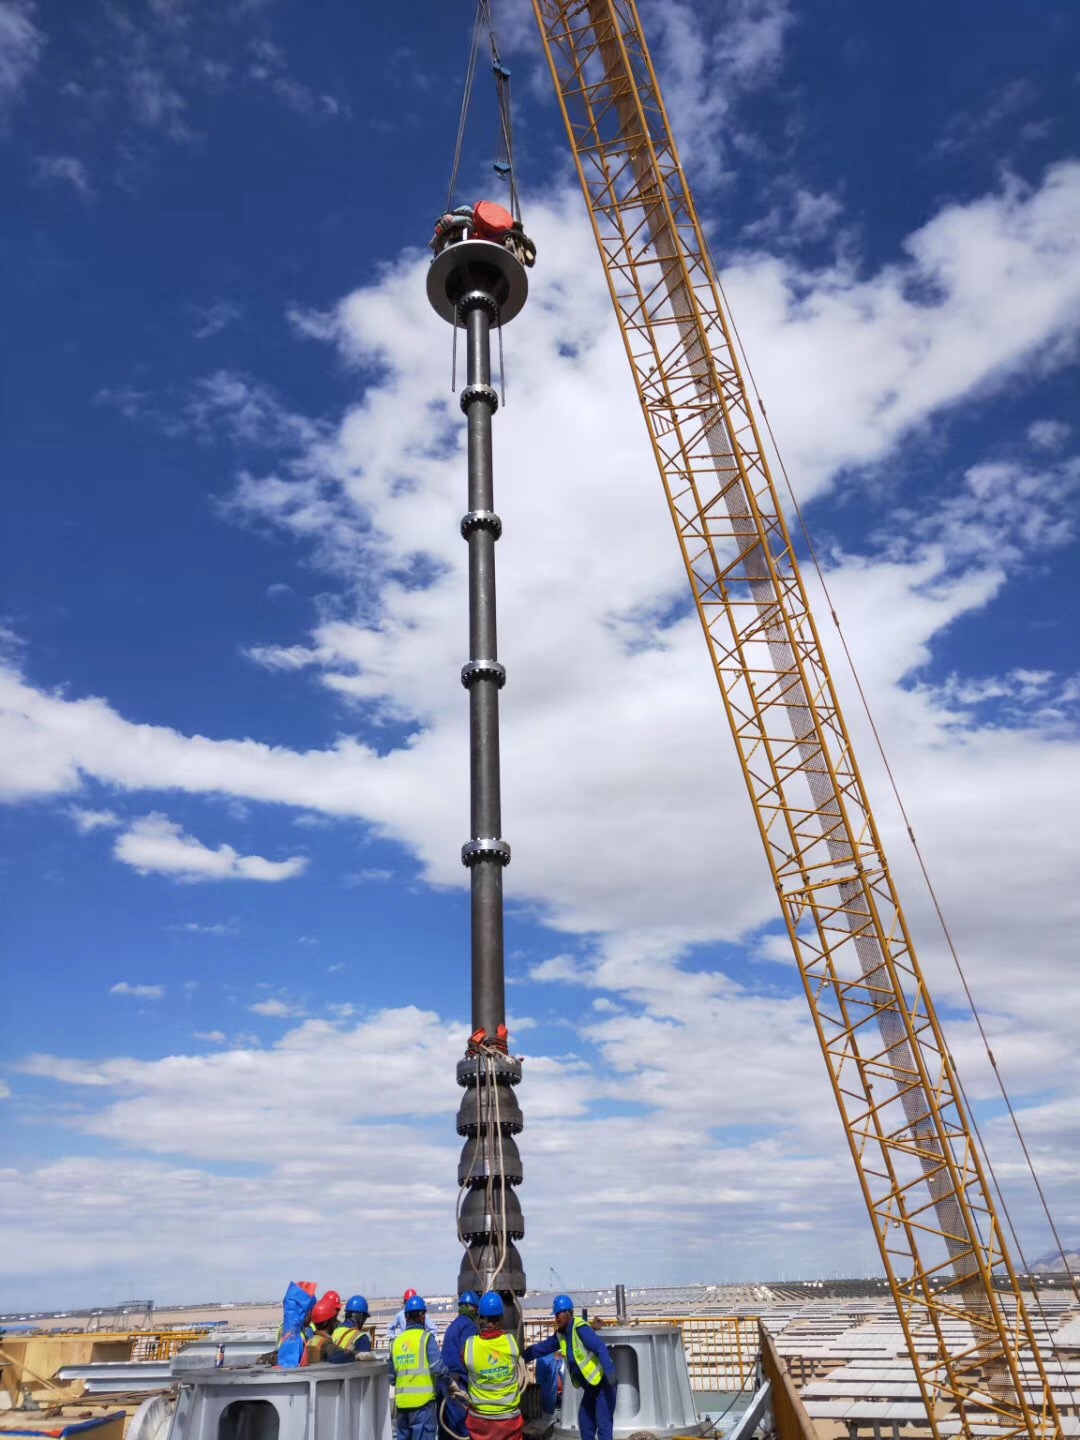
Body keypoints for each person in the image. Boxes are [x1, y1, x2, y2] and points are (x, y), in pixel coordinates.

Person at [523, 1295, 616, 1440]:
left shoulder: (580, 1329)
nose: (556, 1318)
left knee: (603, 1424)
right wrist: (522, 1356)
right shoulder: (561, 1335)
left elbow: (600, 1348)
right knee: (585, 1423)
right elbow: (542, 1348)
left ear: (568, 1313)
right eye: (555, 1315)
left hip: (604, 1385)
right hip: (591, 1387)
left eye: (558, 1314)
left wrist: (611, 1375)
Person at [459, 1293, 523, 1440]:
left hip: (480, 1420)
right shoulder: (511, 1343)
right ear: (501, 1319)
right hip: (508, 1419)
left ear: (480, 1320)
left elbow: (464, 1363)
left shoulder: (470, 1346)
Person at [389, 1296, 449, 1440]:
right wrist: (450, 1383)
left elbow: (391, 1377)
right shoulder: (426, 1338)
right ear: (423, 1317)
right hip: (423, 1407)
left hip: (402, 1407)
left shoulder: (396, 1342)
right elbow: (437, 1368)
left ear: (406, 1316)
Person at [439, 1291, 480, 1440]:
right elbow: (467, 1356)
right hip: (458, 1383)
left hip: (445, 1381)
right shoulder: (469, 1326)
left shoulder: (453, 1325)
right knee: (461, 1426)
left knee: (446, 1428)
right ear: (474, 1309)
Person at [306, 1292, 360, 1365]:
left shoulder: (313, 1339)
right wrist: (357, 1354)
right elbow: (338, 1355)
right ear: (328, 1322)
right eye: (334, 1319)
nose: (335, 1322)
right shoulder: (325, 1343)